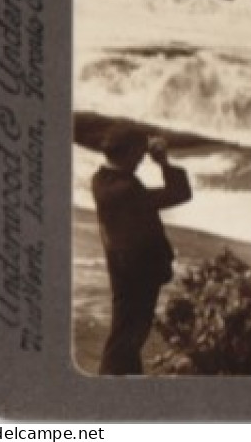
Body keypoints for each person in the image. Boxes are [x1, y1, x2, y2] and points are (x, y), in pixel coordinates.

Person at [93, 129, 193, 375]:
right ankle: (106, 393)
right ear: (127, 153)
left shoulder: (102, 179)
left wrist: (140, 146)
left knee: (127, 339)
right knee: (124, 343)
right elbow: (180, 193)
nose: (141, 159)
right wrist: (163, 162)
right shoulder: (127, 189)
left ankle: (125, 386)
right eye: (138, 154)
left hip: (123, 270)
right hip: (136, 277)